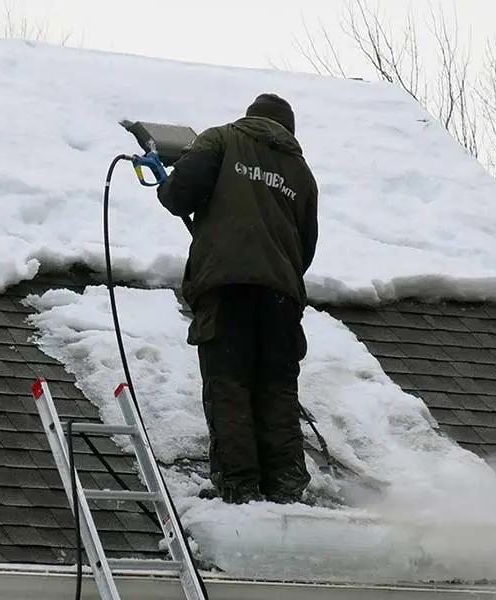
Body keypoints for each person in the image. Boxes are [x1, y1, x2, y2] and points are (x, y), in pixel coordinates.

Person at [156, 93, 320, 505]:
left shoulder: (221, 140)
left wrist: (170, 186)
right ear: (288, 131)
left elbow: (180, 195)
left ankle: (239, 488)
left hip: (228, 290)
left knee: (229, 385)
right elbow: (307, 247)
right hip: (281, 300)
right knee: (277, 390)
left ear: (251, 119)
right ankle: (285, 488)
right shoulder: (301, 172)